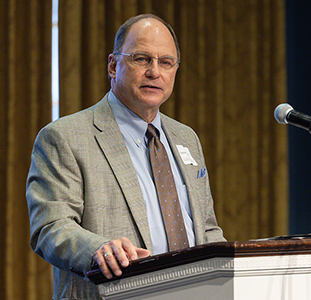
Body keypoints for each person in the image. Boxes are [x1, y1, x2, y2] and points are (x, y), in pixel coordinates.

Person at [26, 14, 225, 300]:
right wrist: (98, 250)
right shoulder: (64, 137)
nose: (154, 72)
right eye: (142, 59)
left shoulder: (186, 138)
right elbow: (51, 227)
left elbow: (206, 229)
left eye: (166, 62)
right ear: (113, 65)